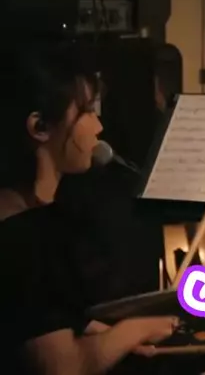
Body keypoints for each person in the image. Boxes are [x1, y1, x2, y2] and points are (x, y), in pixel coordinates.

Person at [0, 42, 178, 374]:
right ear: (40, 127)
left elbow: (43, 319)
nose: (98, 126)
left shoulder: (30, 212)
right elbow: (65, 367)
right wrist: (135, 328)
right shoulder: (22, 237)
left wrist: (104, 332)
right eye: (86, 112)